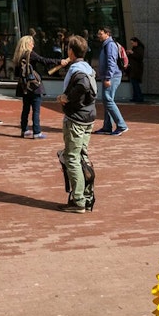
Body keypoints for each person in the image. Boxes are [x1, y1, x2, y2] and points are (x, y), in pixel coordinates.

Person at [56, 34, 98, 213]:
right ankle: (87, 195)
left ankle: (79, 200)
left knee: (72, 158)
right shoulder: (87, 67)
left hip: (77, 119)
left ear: (71, 51)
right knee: (81, 155)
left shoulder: (78, 71)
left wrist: (67, 98)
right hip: (88, 117)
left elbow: (82, 86)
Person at [12, 34, 63, 139]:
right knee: (36, 109)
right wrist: (58, 61)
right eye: (32, 42)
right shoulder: (30, 54)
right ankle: (37, 131)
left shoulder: (18, 55)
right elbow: (44, 60)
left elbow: (17, 73)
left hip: (24, 85)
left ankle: (24, 129)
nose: (33, 45)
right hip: (34, 85)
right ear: (28, 44)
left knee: (25, 108)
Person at [95, 27, 128, 134]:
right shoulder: (106, 45)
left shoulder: (110, 45)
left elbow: (111, 62)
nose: (98, 35)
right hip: (109, 76)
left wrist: (108, 77)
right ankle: (107, 126)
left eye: (100, 33)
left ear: (107, 34)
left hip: (112, 77)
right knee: (107, 101)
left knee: (108, 100)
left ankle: (121, 125)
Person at [127, 36, 145, 103]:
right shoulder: (135, 48)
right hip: (133, 69)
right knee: (134, 84)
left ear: (136, 42)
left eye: (132, 43)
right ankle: (135, 97)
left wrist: (132, 53)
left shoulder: (140, 48)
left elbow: (140, 57)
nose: (132, 44)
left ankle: (139, 97)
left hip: (137, 69)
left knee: (135, 84)